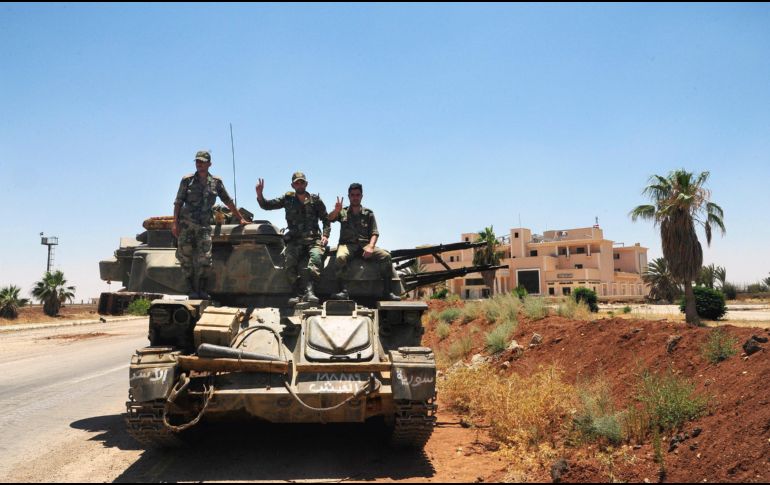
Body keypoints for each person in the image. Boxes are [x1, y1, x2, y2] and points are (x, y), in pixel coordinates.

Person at [173, 150, 248, 298]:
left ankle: (201, 289)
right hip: (186, 225)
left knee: (206, 258)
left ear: (209, 164)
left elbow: (228, 200)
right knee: (185, 257)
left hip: (204, 226)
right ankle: (190, 289)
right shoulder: (187, 180)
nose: (199, 164)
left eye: (202, 162)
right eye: (197, 162)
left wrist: (240, 218)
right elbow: (178, 202)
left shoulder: (216, 182)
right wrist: (175, 223)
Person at [256, 172, 330, 304]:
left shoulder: (316, 200)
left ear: (306, 184)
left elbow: (326, 219)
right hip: (295, 240)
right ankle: (296, 292)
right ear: (293, 185)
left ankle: (310, 290)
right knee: (289, 262)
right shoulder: (288, 199)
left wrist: (325, 235)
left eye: (302, 182)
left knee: (316, 259)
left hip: (313, 239)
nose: (299, 184)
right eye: (297, 183)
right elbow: (267, 205)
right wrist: (260, 194)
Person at [328, 183, 400, 301]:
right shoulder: (343, 212)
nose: (355, 197)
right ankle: (342, 291)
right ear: (349, 196)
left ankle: (387, 292)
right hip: (347, 245)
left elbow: (375, 233)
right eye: (352, 195)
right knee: (340, 257)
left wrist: (371, 247)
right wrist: (336, 210)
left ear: (361, 196)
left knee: (386, 256)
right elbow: (329, 219)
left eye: (357, 195)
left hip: (365, 245)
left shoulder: (368, 213)